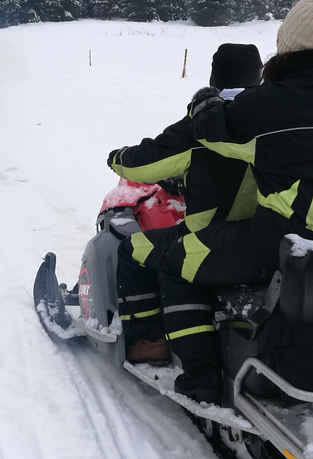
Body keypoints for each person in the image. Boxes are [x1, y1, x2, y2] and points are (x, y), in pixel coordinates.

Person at [157, 0, 313, 405]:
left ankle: (201, 378)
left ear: (286, 42)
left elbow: (211, 134)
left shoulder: (268, 103)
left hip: (284, 243)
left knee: (176, 260)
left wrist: (205, 100)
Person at [107, 44, 263, 366]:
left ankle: (149, 341)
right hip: (264, 236)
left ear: (214, 77)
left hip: (211, 238)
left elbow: (146, 163)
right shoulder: (273, 117)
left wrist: (117, 158)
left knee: (134, 251)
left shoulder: (206, 120)